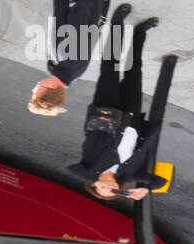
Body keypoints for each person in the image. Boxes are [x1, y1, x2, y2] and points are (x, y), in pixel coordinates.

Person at [67, 6, 165, 201]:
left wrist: (95, 178)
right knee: (134, 70)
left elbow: (71, 170)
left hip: (106, 114)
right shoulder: (128, 173)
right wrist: (147, 189)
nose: (107, 188)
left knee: (110, 67)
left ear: (93, 184)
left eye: (100, 189)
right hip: (131, 117)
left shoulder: (90, 167)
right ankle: (139, 33)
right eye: (111, 192)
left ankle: (117, 22)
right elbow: (160, 181)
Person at [29, 0, 111, 117]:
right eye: (36, 93)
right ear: (51, 88)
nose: (33, 90)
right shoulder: (67, 59)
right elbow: (79, 18)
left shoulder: (66, 71)